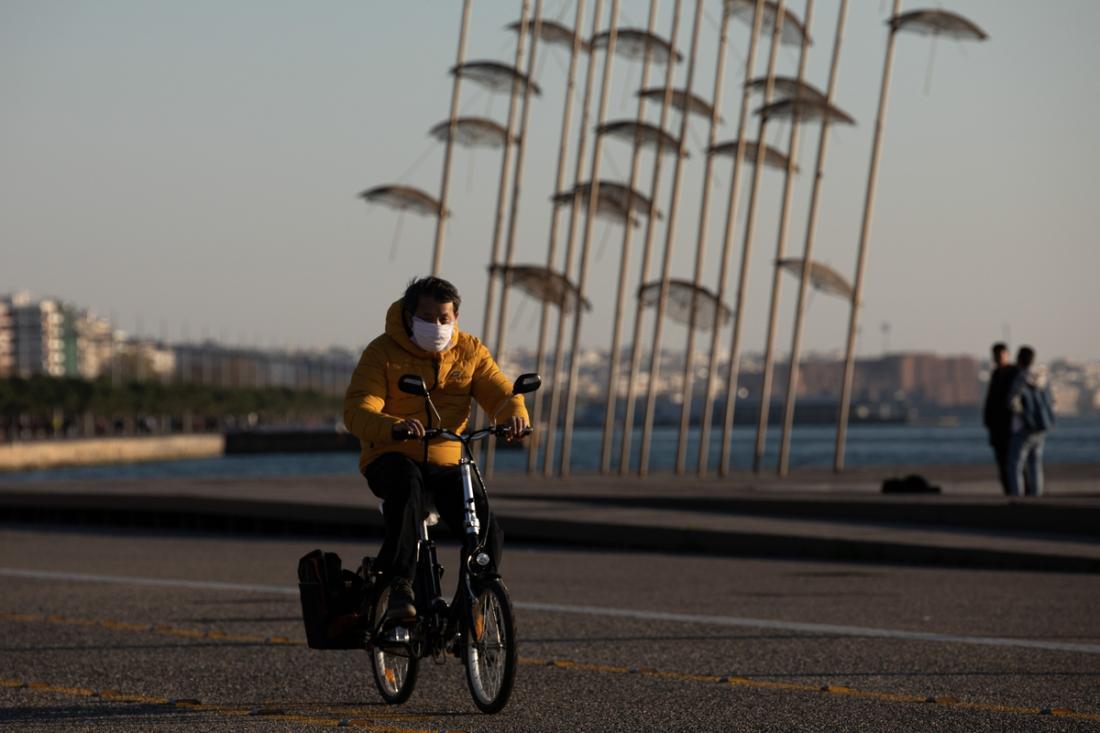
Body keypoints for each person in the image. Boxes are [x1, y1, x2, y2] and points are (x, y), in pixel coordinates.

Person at [343, 276, 529, 624]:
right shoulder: (382, 352)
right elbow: (358, 408)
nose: (438, 326)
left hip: (447, 459)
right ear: (409, 317)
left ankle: (472, 603)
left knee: (486, 528)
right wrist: (392, 425)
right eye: (427, 318)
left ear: (456, 317)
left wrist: (514, 416)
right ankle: (400, 586)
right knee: (407, 490)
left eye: (445, 318)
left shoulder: (471, 351)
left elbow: (500, 393)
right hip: (391, 453)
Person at [1005, 346, 1055, 497]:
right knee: (1036, 463)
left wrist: (1022, 414)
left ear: (1019, 360)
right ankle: (1036, 495)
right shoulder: (1043, 378)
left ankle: (1018, 496)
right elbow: (1051, 401)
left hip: (1024, 426)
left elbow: (1012, 401)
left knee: (1015, 464)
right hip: (1041, 425)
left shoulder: (1022, 378)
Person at [982, 342, 1017, 495]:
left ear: (1007, 355)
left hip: (1010, 426)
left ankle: (1019, 490)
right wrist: (988, 420)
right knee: (1002, 462)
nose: (998, 358)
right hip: (997, 427)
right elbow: (991, 400)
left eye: (1000, 355)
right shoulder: (996, 374)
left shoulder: (1013, 373)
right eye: (995, 355)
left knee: (1014, 461)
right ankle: (1009, 490)